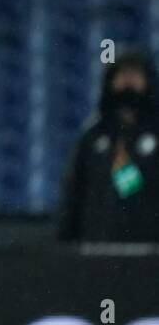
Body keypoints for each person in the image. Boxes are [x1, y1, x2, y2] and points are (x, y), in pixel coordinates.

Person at [58, 46, 159, 242]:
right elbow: (74, 195)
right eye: (122, 74)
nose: (128, 81)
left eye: (135, 74)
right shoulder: (92, 138)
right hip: (99, 248)